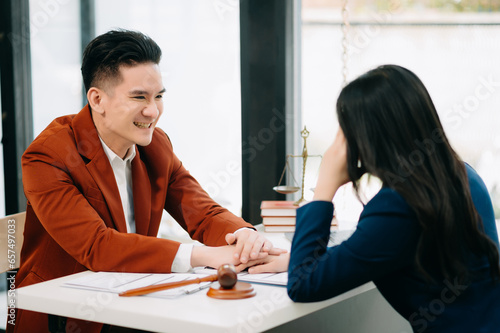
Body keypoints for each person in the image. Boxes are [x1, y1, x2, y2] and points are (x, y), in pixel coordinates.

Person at [9, 29, 283, 333]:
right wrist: (207, 255)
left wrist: (243, 237)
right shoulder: (48, 155)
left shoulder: (154, 145)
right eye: (139, 97)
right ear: (97, 99)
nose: (153, 111)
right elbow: (97, 246)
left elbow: (201, 211)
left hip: (133, 301)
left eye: (159, 96)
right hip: (62, 316)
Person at [246, 65, 500, 332]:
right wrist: (297, 259)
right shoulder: (462, 175)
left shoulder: (398, 205)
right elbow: (374, 246)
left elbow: (303, 285)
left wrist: (324, 186)